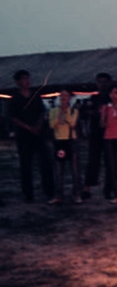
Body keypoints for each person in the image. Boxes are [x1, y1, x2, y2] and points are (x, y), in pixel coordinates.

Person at [9, 70, 54, 203]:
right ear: (18, 82)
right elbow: (13, 118)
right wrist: (29, 128)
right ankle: (28, 194)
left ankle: (49, 191)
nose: (27, 81)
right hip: (23, 136)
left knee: (45, 163)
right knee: (26, 165)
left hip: (39, 134)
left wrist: (39, 126)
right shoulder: (15, 99)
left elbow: (42, 112)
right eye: (24, 79)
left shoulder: (36, 95)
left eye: (28, 78)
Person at [47, 89, 82, 205]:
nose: (63, 98)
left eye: (66, 96)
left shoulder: (73, 110)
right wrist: (58, 115)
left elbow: (72, 123)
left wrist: (65, 113)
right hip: (59, 141)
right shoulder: (53, 111)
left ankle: (76, 193)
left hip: (71, 141)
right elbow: (52, 125)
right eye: (61, 96)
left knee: (75, 170)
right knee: (58, 170)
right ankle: (58, 194)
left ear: (70, 98)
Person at [82, 72, 112, 200]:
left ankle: (109, 189)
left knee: (110, 162)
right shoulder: (93, 98)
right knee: (93, 161)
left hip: (110, 133)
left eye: (105, 82)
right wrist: (94, 113)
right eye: (100, 82)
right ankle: (87, 188)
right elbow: (83, 113)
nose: (102, 84)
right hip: (96, 133)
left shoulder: (113, 98)